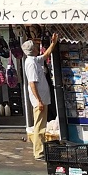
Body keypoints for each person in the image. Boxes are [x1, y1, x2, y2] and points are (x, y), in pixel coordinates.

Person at [23, 33, 59, 162]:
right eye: (35, 46)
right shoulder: (31, 63)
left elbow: (45, 55)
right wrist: (39, 100)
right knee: (39, 125)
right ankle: (38, 152)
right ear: (32, 49)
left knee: (41, 124)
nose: (37, 47)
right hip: (40, 100)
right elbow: (32, 83)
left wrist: (53, 43)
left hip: (43, 98)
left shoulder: (34, 60)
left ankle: (41, 149)